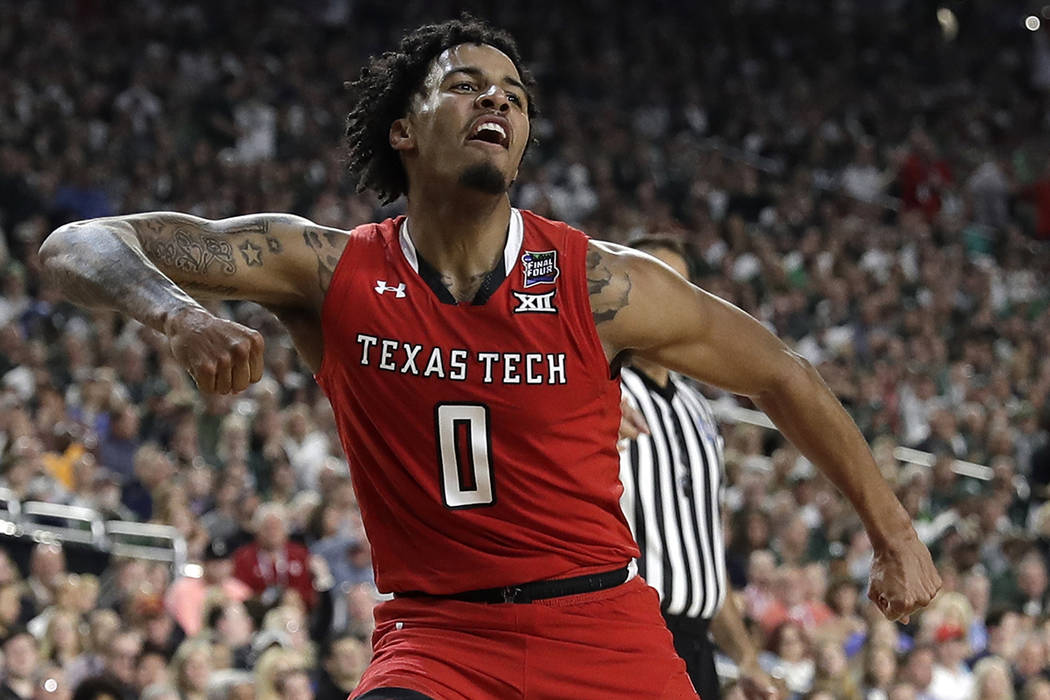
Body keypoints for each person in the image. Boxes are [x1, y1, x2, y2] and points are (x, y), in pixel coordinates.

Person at [40, 15, 940, 699]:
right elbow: (76, 244)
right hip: (436, 642)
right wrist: (176, 316)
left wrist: (894, 533)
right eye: (466, 85)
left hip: (602, 629)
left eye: (512, 94)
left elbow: (780, 369)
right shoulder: (323, 268)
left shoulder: (595, 283)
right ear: (405, 128)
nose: (498, 101)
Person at [617, 236, 776, 699]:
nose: (669, 302)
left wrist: (745, 657)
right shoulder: (599, 389)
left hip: (698, 644)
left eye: (681, 289)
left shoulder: (699, 409)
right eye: (653, 285)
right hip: (628, 639)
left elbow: (702, 554)